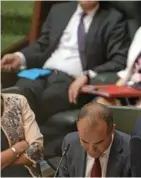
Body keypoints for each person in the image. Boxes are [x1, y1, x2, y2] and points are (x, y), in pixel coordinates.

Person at [0, 1, 130, 123]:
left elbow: (119, 60)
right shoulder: (60, 11)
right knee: (19, 92)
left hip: (70, 80)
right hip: (40, 72)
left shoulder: (113, 19)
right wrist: (20, 57)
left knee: (44, 100)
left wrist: (88, 75)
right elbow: (43, 45)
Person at [58, 102, 131, 177]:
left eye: (99, 142)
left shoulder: (132, 150)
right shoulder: (70, 143)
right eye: (84, 141)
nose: (91, 150)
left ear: (112, 130)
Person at [1, 93, 44, 177]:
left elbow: (37, 148)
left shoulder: (18, 101)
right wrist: (17, 148)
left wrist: (4, 161)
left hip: (23, 171)